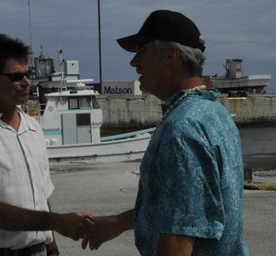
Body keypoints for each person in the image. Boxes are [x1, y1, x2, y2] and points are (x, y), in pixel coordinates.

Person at [82, 10, 249, 255]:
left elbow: (180, 236)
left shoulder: (182, 129)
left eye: (142, 51)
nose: (133, 62)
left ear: (170, 56)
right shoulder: (215, 112)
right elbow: (184, 205)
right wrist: (118, 223)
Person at [0, 33, 89, 256]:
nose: (26, 83)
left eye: (27, 74)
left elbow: (41, 196)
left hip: (38, 250)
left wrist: (52, 248)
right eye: (15, 77)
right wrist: (58, 222)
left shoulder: (33, 127)